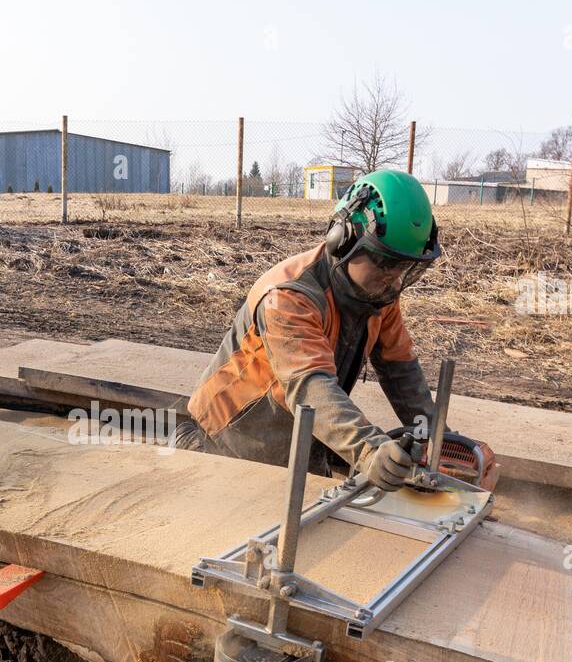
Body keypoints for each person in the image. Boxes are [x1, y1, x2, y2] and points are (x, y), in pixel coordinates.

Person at [173, 169, 489, 491]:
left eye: (403, 268)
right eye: (384, 263)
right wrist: (367, 449)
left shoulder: (379, 295)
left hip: (296, 439)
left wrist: (440, 443)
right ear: (344, 239)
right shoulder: (289, 296)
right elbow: (310, 388)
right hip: (222, 441)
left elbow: (402, 377)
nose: (394, 280)